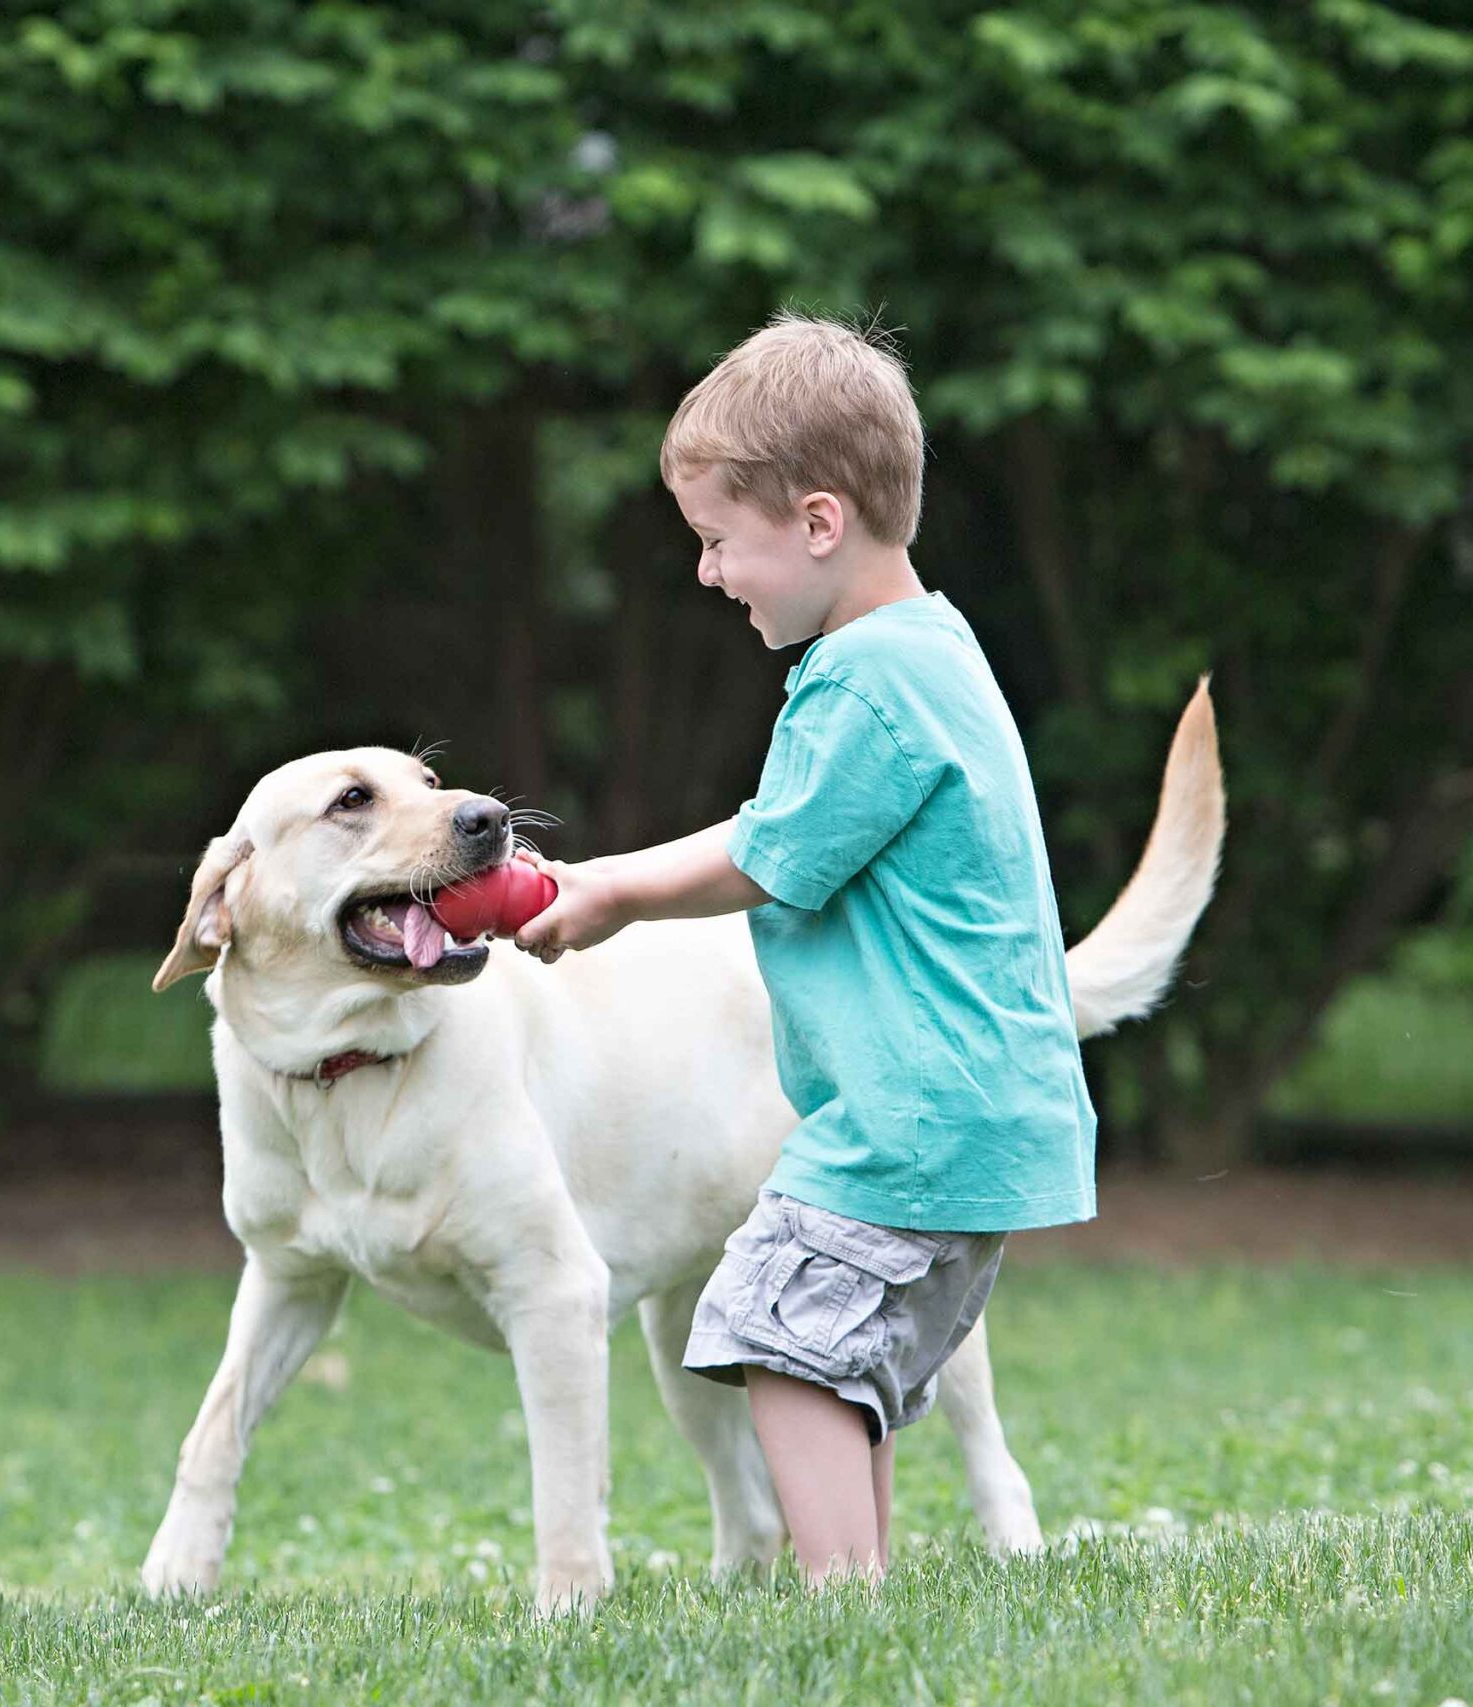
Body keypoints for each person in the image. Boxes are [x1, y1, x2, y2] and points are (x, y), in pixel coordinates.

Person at [510, 314, 1096, 1584]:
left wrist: (607, 889)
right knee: (836, 1364)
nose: (711, 575)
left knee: (772, 1335)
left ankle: (841, 1600)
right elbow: (787, 829)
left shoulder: (867, 682)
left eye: (721, 542)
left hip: (911, 1114)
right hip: (963, 1106)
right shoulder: (931, 651)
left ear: (819, 524)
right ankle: (863, 1591)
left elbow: (767, 854)